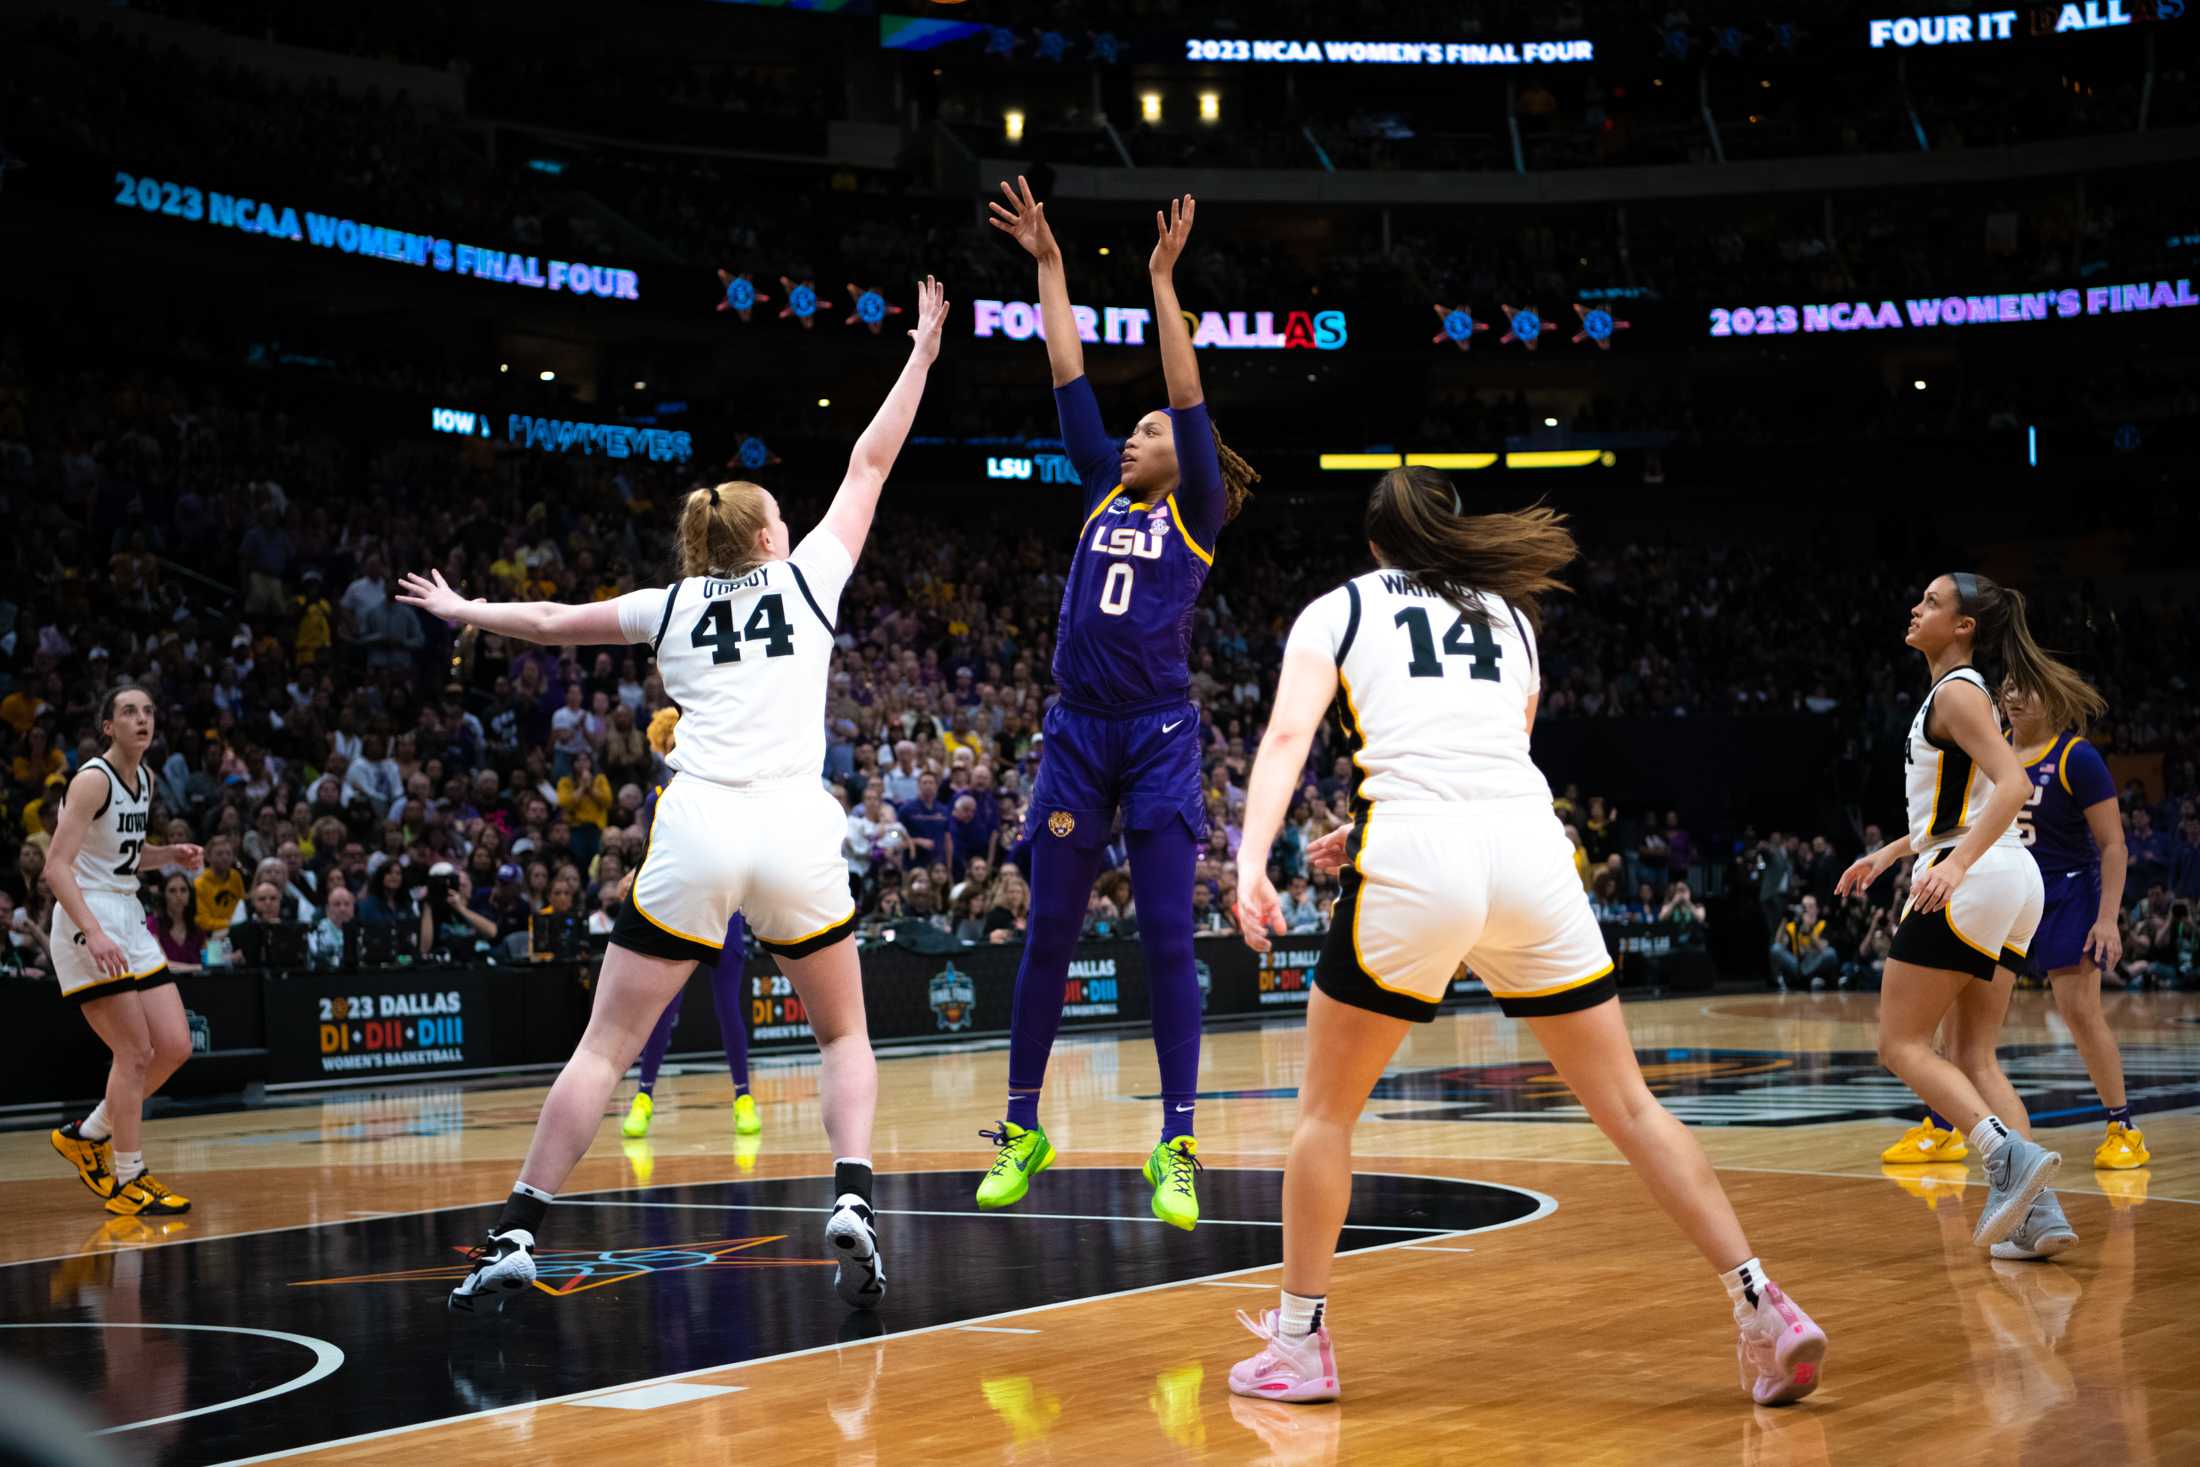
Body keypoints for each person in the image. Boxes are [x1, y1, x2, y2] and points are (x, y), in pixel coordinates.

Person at [1226, 468, 1824, 1407]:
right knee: (1631, 1107)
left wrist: (1253, 858)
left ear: (1374, 543)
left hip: (1419, 857)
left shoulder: (1335, 608)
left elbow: (1286, 737)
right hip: (1531, 854)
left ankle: (1298, 1343)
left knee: (1325, 1115)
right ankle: (1763, 1302)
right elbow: (1495, 747)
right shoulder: (1512, 617)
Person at [410, 275, 948, 1314]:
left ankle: (520, 1224)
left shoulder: (664, 606)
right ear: (763, 540)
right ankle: (849, 1200)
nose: (793, 528)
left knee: (606, 1044)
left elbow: (552, 621)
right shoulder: (810, 578)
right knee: (842, 1034)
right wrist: (920, 352)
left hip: (697, 822)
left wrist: (465, 607)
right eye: (782, 520)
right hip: (793, 823)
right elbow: (871, 457)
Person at [977, 179, 1261, 1230]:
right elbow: (1065, 366)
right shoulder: (1100, 483)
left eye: (1150, 430)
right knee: (1047, 929)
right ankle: (1021, 1127)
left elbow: (1185, 401)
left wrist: (1159, 280)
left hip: (1157, 738)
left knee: (1165, 941)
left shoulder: (1200, 505)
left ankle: (1175, 1144)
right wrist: (1049, 265)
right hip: (1075, 735)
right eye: (1133, 429)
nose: (1136, 435)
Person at [1837, 572, 2095, 1261]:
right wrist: (1893, 851)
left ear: (1964, 627)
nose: (1916, 607)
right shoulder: (1959, 694)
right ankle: (2037, 1217)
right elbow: (1958, 805)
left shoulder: (1955, 691)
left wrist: (1950, 866)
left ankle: (2001, 1157)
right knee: (1974, 1057)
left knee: (1900, 1045)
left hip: (1975, 876)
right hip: (2008, 880)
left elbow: (2012, 784)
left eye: (1931, 601)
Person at [46, 686, 203, 1219]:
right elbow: (56, 867)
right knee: (134, 1053)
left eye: (149, 711)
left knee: (175, 1046)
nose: (142, 719)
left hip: (127, 915)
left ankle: (86, 1134)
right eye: (128, 712)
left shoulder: (147, 779)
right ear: (108, 726)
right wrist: (93, 931)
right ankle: (128, 1177)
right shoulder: (92, 780)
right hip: (87, 918)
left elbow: (125, 859)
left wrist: (169, 856)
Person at [2004, 678, 2140, 1167]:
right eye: (2008, 688)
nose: (2015, 698)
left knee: (2080, 1013)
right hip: (2008, 892)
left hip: (2067, 892)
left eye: (2027, 690)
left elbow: (2113, 845)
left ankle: (2123, 1127)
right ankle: (1944, 1124)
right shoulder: (1991, 747)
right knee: (1964, 1011)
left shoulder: (2076, 757)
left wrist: (2108, 919)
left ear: (2053, 699)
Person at [621, 709, 762, 1147]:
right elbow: (654, 853)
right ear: (665, 746)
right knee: (664, 1008)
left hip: (723, 910)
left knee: (728, 1007)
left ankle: (743, 1097)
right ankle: (643, 1096)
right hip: (678, 910)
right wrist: (636, 874)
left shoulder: (726, 788)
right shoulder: (658, 795)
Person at [1770, 895, 1841, 990]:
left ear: (1817, 910)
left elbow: (1824, 949)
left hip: (1815, 964)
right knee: (1776, 948)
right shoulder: (1793, 926)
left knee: (1831, 953)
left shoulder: (1823, 925)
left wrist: (1809, 930)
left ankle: (1803, 976)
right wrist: (1785, 919)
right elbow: (1778, 943)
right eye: (1804, 907)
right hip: (1796, 965)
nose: (1807, 910)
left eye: (1811, 906)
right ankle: (1806, 976)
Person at [146, 872, 204, 973]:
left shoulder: (197, 929)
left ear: (190, 894)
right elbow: (162, 965)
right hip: (164, 985)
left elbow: (210, 961)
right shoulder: (152, 924)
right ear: (163, 895)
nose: (179, 895)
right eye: (172, 891)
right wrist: (200, 968)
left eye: (183, 890)